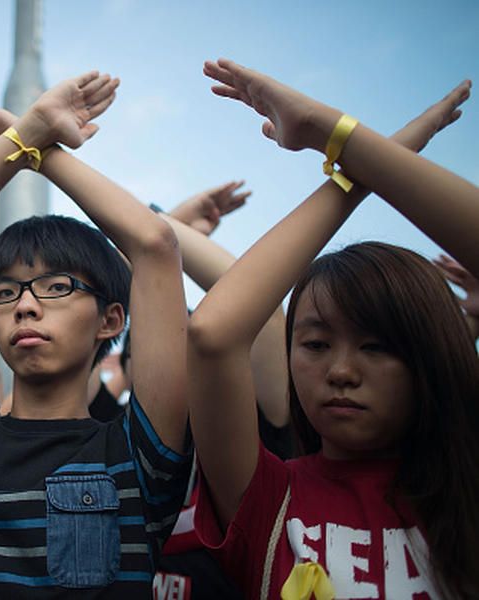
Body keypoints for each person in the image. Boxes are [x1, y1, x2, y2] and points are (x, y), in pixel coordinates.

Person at [188, 59, 478, 598]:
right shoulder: (269, 498)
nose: (341, 371)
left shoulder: (467, 492)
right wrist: (350, 168)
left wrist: (335, 134)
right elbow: (212, 333)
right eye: (316, 344)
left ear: (431, 355)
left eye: (377, 346)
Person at [0, 71, 191, 598]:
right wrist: (27, 131)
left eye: (55, 287)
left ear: (111, 320)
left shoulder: (136, 452)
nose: (26, 305)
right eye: (6, 292)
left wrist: (41, 150)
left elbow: (155, 243)